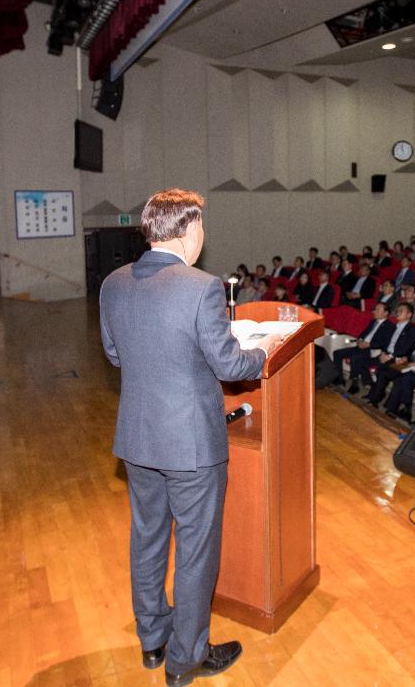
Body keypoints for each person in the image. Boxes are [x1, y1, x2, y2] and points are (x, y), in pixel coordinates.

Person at [99, 188, 280, 684]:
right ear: (188, 230)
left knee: (148, 540)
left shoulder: (113, 283)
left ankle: (153, 642)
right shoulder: (201, 287)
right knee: (197, 551)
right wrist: (263, 353)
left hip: (138, 440)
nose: (203, 237)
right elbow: (228, 364)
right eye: (201, 227)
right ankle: (186, 660)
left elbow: (115, 355)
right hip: (192, 448)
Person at [366, 307, 415, 408]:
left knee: (400, 379)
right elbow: (411, 349)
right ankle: (374, 400)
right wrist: (405, 357)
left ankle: (392, 408)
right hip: (409, 363)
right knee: (384, 369)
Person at [332, 302, 394, 393]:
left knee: (355, 358)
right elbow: (363, 334)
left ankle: (354, 384)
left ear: (385, 313)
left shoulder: (390, 326)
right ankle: (340, 378)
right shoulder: (373, 321)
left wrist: (369, 345)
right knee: (337, 353)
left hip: (372, 350)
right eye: (375, 309)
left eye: (378, 310)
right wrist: (360, 340)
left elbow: (385, 343)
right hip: (362, 346)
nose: (374, 311)